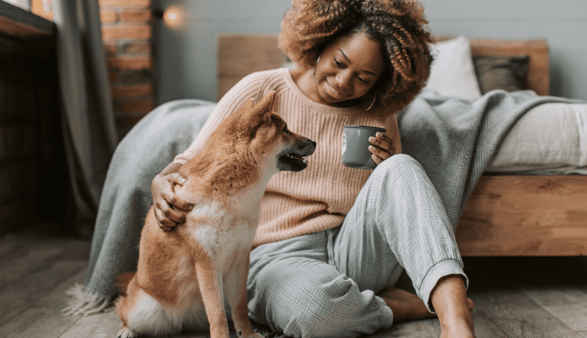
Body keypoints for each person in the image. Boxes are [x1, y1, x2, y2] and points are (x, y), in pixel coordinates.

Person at [152, 0, 475, 337]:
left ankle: (456, 321)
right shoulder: (262, 89)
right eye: (339, 62)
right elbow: (194, 160)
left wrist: (388, 162)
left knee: (402, 167)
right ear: (321, 42)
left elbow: (389, 201)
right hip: (274, 256)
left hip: (350, 248)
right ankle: (396, 306)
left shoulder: (377, 112)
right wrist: (161, 181)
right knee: (316, 311)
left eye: (364, 78)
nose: (344, 81)